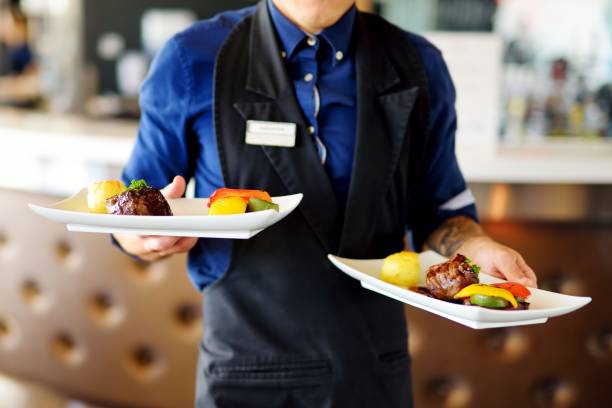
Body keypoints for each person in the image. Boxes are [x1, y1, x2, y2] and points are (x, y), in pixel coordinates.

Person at [112, 0, 537, 406]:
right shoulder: (192, 59)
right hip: (246, 373)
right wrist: (144, 237)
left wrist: (477, 247)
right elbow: (136, 205)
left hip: (374, 373)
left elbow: (440, 210)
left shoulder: (418, 64)